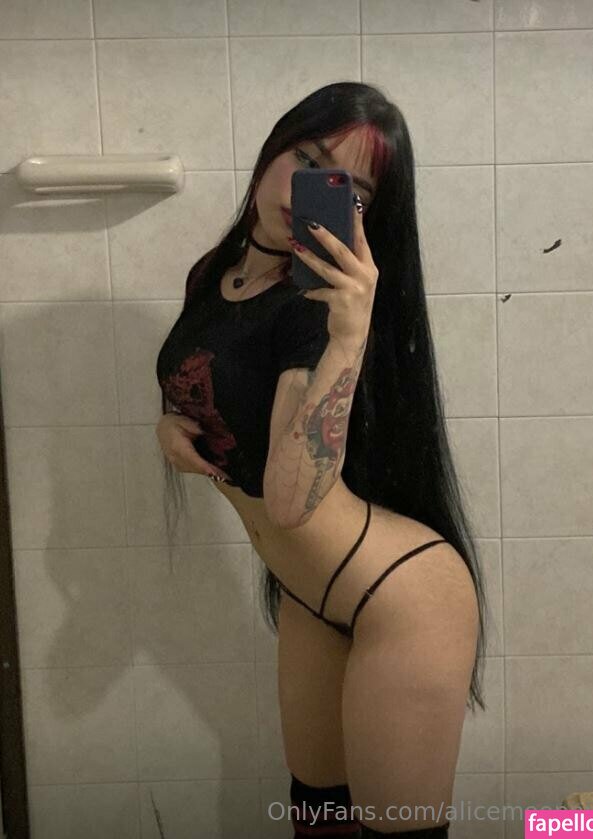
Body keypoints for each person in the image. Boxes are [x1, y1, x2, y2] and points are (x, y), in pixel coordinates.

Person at [156, 81, 490, 837]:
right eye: (306, 159)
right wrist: (170, 428)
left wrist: (347, 337)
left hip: (401, 600)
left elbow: (290, 501)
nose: (307, 189)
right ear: (273, 146)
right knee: (318, 817)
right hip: (312, 595)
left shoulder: (315, 310)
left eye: (352, 191)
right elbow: (210, 382)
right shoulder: (215, 274)